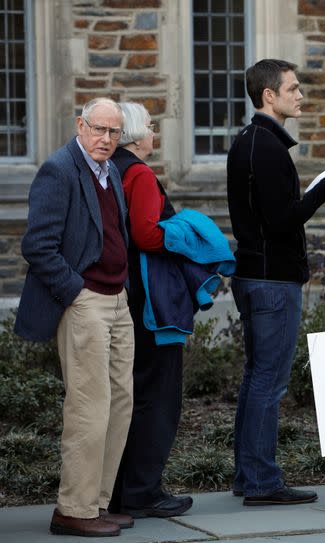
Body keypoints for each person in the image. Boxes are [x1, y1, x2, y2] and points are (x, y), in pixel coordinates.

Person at [15, 97, 135, 537]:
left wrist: (121, 287)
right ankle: (73, 509)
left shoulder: (112, 172)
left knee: (120, 403)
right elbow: (38, 246)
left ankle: (96, 504)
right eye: (99, 130)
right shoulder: (59, 169)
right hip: (85, 300)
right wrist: (76, 291)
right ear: (80, 126)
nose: (106, 139)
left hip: (118, 298)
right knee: (89, 406)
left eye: (114, 133)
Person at [226, 59, 325, 506]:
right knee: (268, 382)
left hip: (259, 275)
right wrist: (323, 190)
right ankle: (260, 481)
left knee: (258, 378)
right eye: (293, 89)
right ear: (268, 96)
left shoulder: (249, 142)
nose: (301, 96)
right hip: (271, 280)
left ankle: (248, 476)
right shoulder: (266, 147)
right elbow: (280, 222)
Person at [108, 102, 193, 518]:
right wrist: (185, 234)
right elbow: (146, 235)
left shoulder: (111, 169)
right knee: (157, 397)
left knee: (130, 395)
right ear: (138, 134)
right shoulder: (139, 172)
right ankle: (144, 490)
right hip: (152, 299)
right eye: (152, 128)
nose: (155, 135)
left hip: (125, 294)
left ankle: (121, 489)